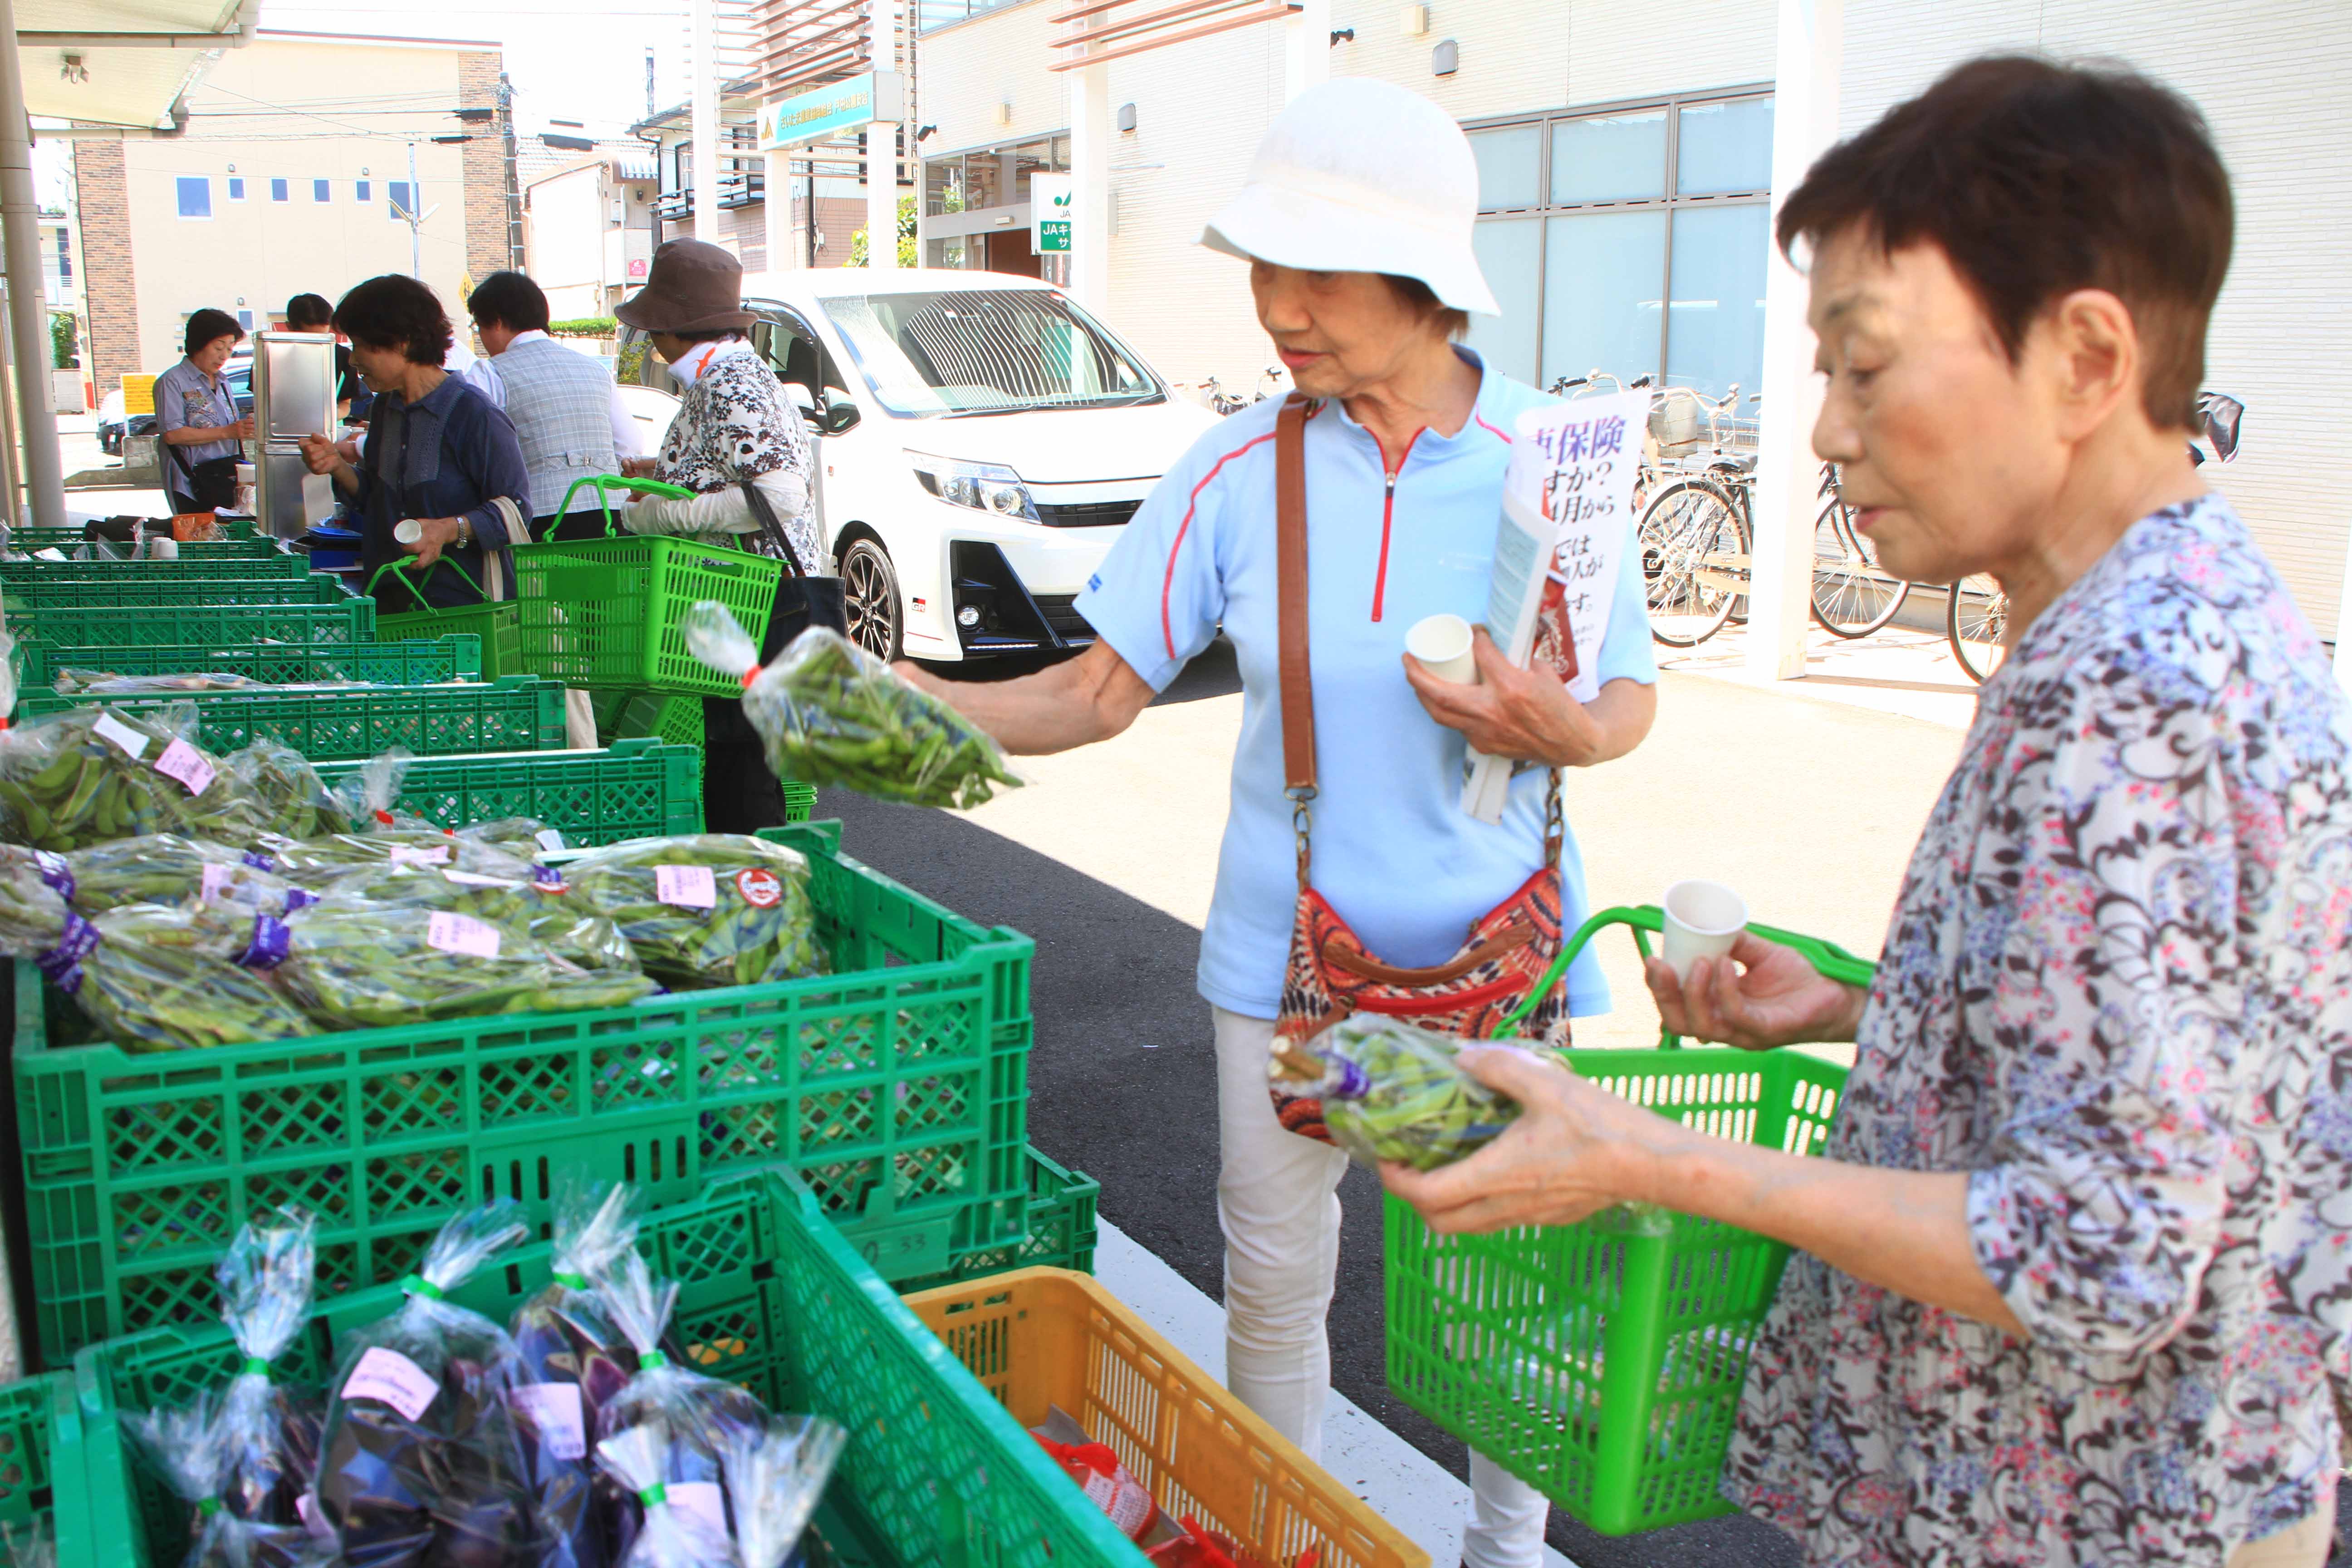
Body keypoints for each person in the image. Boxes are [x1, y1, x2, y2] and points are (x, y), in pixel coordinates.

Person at [1382, 56, 2352, 1568]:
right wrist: (1863, 1003)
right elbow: (2166, 1076)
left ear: (2085, 359)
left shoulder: (2119, 696)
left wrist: (1648, 1158)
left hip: (2076, 1509)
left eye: (1865, 363)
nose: (1826, 432)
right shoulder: (2190, 612)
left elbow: (2103, 1251)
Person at [895, 78, 1659, 1568]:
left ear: (1428, 285)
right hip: (1285, 963)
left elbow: (1625, 697)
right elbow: (1097, 693)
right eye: (1261, 268)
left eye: (1313, 273)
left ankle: (1503, 1548)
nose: (1274, 307)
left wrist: (1567, 730)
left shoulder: (1550, 465)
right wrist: (911, 692)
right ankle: (1283, 1539)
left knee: (1509, 1292)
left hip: (1502, 961)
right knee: (1274, 1281)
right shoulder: (1236, 469)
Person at [612, 237, 819, 833]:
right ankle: (754, 884)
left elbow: (780, 494)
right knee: (739, 757)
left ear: (677, 327)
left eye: (654, 325)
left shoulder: (729, 382)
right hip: (747, 596)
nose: (649, 338)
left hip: (755, 598)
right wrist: (666, 474)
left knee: (742, 766)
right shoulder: (732, 374)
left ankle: (753, 890)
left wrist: (665, 515)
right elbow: (739, 468)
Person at [296, 274, 530, 612]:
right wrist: (337, 466)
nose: (353, 360)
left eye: (360, 345)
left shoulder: (474, 413)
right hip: (391, 602)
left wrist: (448, 530)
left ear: (402, 342)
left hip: (461, 612)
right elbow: (378, 499)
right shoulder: (385, 409)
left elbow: (518, 509)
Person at [462, 270, 645, 539]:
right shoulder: (594, 369)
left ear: (497, 323)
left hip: (540, 517)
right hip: (610, 513)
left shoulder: (489, 373)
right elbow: (631, 444)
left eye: (479, 327)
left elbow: (472, 449)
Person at [154, 307, 253, 515]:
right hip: (192, 482)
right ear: (200, 343)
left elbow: (228, 427)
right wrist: (228, 432)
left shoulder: (223, 381)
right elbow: (172, 435)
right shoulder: (171, 381)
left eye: (229, 348)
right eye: (219, 347)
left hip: (226, 478)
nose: (225, 356)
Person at [284, 291, 369, 424]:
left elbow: (345, 404)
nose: (320, 344)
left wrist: (331, 415)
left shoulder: (343, 357)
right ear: (290, 328)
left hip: (329, 434)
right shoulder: (274, 359)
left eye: (324, 337)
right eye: (312, 339)